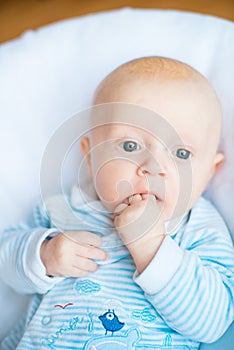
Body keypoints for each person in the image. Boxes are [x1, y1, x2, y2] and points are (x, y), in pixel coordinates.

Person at [0, 57, 233, 350]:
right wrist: (46, 254)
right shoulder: (67, 208)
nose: (153, 167)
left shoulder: (199, 229)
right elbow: (6, 262)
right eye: (130, 146)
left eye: (182, 153)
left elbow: (212, 321)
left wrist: (153, 249)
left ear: (210, 172)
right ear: (90, 154)